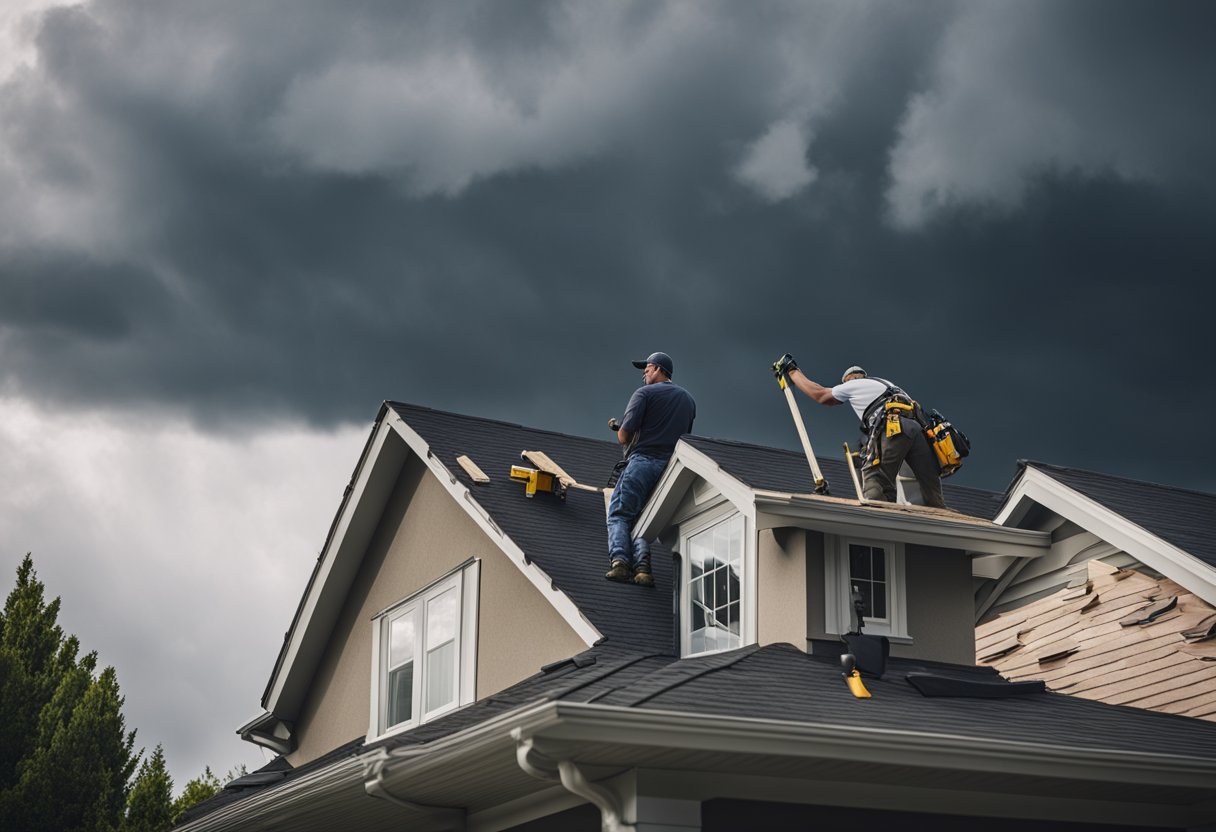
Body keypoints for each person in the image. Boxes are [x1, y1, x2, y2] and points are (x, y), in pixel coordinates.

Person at [772, 355, 945, 508]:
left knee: (876, 479)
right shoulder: (886, 385)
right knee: (931, 488)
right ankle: (941, 520)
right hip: (917, 431)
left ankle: (878, 523)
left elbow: (820, 395)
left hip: (894, 426)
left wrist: (792, 371)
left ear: (849, 379)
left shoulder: (853, 385)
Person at [605, 351, 696, 587]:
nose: (644, 373)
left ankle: (620, 562)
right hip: (670, 469)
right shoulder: (688, 400)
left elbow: (624, 436)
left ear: (656, 369)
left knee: (619, 513)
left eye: (646, 368)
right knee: (643, 518)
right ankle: (643, 569)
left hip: (643, 462)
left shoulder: (643, 394)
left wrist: (621, 428)